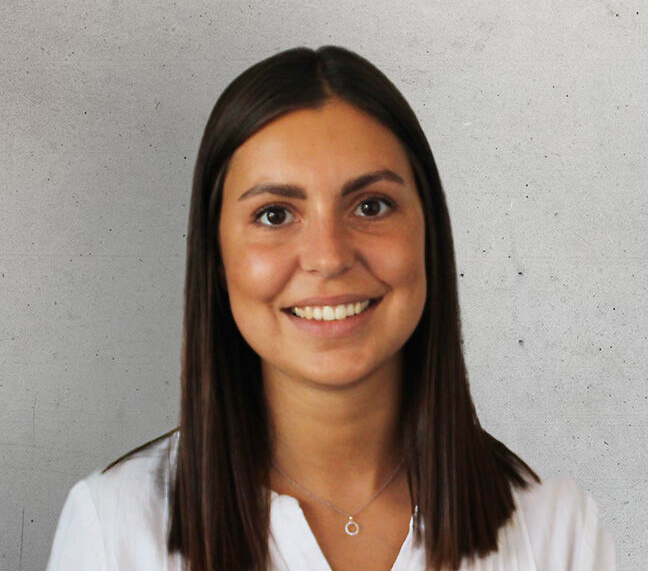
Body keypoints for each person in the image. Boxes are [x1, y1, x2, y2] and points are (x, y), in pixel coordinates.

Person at [46, 46, 616, 571]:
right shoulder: (113, 529)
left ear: (429, 235)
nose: (328, 257)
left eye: (371, 206)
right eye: (274, 214)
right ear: (216, 258)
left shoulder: (557, 533)